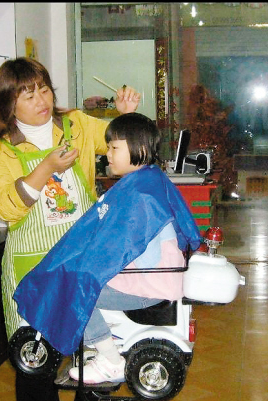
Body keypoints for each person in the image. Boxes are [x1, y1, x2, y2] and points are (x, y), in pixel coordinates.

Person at [0, 57, 141, 401]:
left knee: (101, 354)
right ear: (8, 105)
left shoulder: (75, 125)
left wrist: (125, 114)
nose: (41, 99)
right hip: (32, 271)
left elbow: (119, 144)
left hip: (85, 262)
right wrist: (45, 168)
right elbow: (4, 206)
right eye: (27, 94)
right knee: (36, 366)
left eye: (44, 88)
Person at [13, 113, 202, 378]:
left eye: (114, 148)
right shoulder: (146, 181)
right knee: (78, 279)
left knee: (75, 292)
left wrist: (94, 265)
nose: (108, 155)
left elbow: (133, 252)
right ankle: (99, 342)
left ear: (140, 149)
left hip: (150, 283)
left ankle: (111, 361)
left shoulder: (140, 194)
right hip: (151, 277)